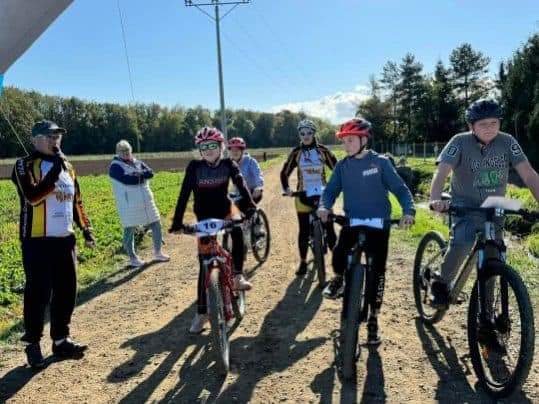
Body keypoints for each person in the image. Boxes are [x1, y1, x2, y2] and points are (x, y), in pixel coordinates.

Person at [429, 99, 539, 309]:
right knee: (463, 241)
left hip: (495, 205)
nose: (489, 128)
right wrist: (435, 198)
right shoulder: (459, 141)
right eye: (483, 124)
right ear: (471, 126)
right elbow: (441, 171)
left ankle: (487, 312)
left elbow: (528, 174)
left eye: (494, 123)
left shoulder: (508, 141)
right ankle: (440, 282)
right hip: (465, 204)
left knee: (493, 255)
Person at [318, 118, 415, 345]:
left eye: (350, 140)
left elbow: (400, 189)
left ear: (364, 140)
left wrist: (408, 211)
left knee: (377, 271)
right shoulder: (342, 166)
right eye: (344, 141)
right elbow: (330, 191)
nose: (346, 145)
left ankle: (373, 318)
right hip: (353, 221)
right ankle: (339, 279)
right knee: (339, 252)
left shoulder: (380, 163)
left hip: (379, 224)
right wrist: (324, 206)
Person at [11, 120, 96, 368]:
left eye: (58, 135)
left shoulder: (68, 166)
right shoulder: (24, 164)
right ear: (35, 139)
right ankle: (33, 344)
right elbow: (32, 197)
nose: (55, 140)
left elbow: (76, 201)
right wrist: (54, 170)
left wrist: (86, 229)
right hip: (37, 241)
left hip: (65, 240)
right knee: (38, 293)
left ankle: (61, 340)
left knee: (67, 290)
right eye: (49, 136)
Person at [169, 127, 256, 333]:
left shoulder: (228, 164)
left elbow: (241, 185)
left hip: (225, 210)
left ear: (221, 147)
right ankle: (202, 313)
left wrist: (250, 207)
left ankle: (237, 276)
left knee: (237, 231)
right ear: (199, 150)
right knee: (204, 262)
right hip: (204, 216)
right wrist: (177, 222)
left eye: (212, 145)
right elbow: (184, 194)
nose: (208, 149)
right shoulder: (194, 167)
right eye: (204, 146)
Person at [280, 119, 338, 276]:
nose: (306, 136)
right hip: (302, 195)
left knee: (329, 228)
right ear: (299, 134)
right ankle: (303, 262)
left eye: (309, 132)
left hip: (322, 194)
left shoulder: (323, 151)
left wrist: (337, 185)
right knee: (304, 230)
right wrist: (287, 189)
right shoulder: (296, 152)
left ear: (314, 134)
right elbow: (284, 172)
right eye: (302, 133)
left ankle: (338, 264)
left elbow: (337, 169)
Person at [109, 140, 170, 267]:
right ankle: (133, 258)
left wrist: (139, 174)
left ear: (131, 150)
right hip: (128, 204)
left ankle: (158, 252)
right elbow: (127, 180)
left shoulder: (137, 162)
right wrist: (141, 175)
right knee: (129, 229)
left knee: (156, 223)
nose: (126, 153)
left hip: (146, 201)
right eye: (123, 151)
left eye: (127, 151)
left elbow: (150, 173)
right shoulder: (115, 166)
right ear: (117, 152)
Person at [227, 137, 264, 213]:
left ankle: (254, 218)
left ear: (242, 151)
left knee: (244, 207)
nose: (235, 152)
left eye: (237, 150)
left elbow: (258, 174)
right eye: (232, 150)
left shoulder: (250, 161)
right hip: (238, 193)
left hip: (253, 192)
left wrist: (259, 187)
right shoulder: (229, 164)